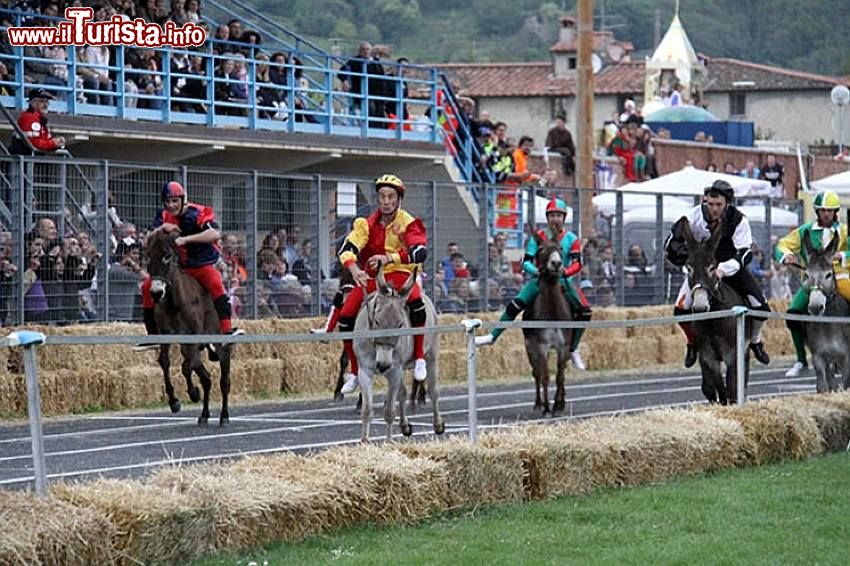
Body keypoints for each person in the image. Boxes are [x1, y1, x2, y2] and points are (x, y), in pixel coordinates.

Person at [336, 174, 429, 394]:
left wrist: (389, 259)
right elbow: (346, 249)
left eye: (391, 197)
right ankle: (356, 370)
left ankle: (419, 357)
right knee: (346, 315)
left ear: (399, 199)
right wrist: (355, 269)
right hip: (373, 278)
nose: (386, 201)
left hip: (401, 274)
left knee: (416, 302)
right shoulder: (366, 224)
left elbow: (419, 252)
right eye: (382, 196)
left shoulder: (409, 222)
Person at [475, 198, 592, 370]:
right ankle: (493, 336)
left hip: (562, 280)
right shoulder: (538, 237)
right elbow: (525, 261)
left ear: (564, 218)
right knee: (515, 305)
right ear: (547, 218)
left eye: (559, 215)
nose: (555, 219)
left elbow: (577, 263)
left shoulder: (571, 239)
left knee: (585, 312)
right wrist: (536, 272)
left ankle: (573, 349)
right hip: (540, 280)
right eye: (552, 215)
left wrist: (566, 272)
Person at [665, 180, 771, 368]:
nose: (714, 209)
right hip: (701, 270)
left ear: (727, 203)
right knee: (680, 310)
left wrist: (723, 269)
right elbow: (671, 243)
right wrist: (688, 257)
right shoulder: (691, 217)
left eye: (719, 205)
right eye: (710, 204)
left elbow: (745, 253)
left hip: (730, 267)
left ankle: (755, 341)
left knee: (761, 308)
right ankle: (691, 343)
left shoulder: (739, 220)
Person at [134, 181, 244, 351]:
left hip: (201, 263)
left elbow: (214, 233)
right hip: (178, 266)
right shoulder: (162, 215)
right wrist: (161, 228)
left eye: (175, 201)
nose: (171, 205)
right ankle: (153, 335)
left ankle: (226, 330)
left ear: (183, 200)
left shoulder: (198, 212)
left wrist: (186, 239)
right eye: (167, 202)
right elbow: (147, 239)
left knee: (215, 283)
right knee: (147, 286)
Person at [774, 190, 850, 377]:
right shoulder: (805, 231)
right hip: (812, 280)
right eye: (822, 210)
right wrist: (785, 256)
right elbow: (782, 244)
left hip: (839, 276)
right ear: (817, 211)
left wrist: (844, 255)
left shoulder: (844, 230)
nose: (826, 214)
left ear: (835, 212)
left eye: (830, 210)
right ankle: (801, 360)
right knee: (793, 313)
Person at [10, 88, 66, 154]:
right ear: (33, 102)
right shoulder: (30, 117)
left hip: (31, 159)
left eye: (47, 102)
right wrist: (53, 143)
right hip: (26, 159)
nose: (46, 105)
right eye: (42, 101)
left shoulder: (39, 119)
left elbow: (44, 140)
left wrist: (57, 142)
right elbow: (34, 142)